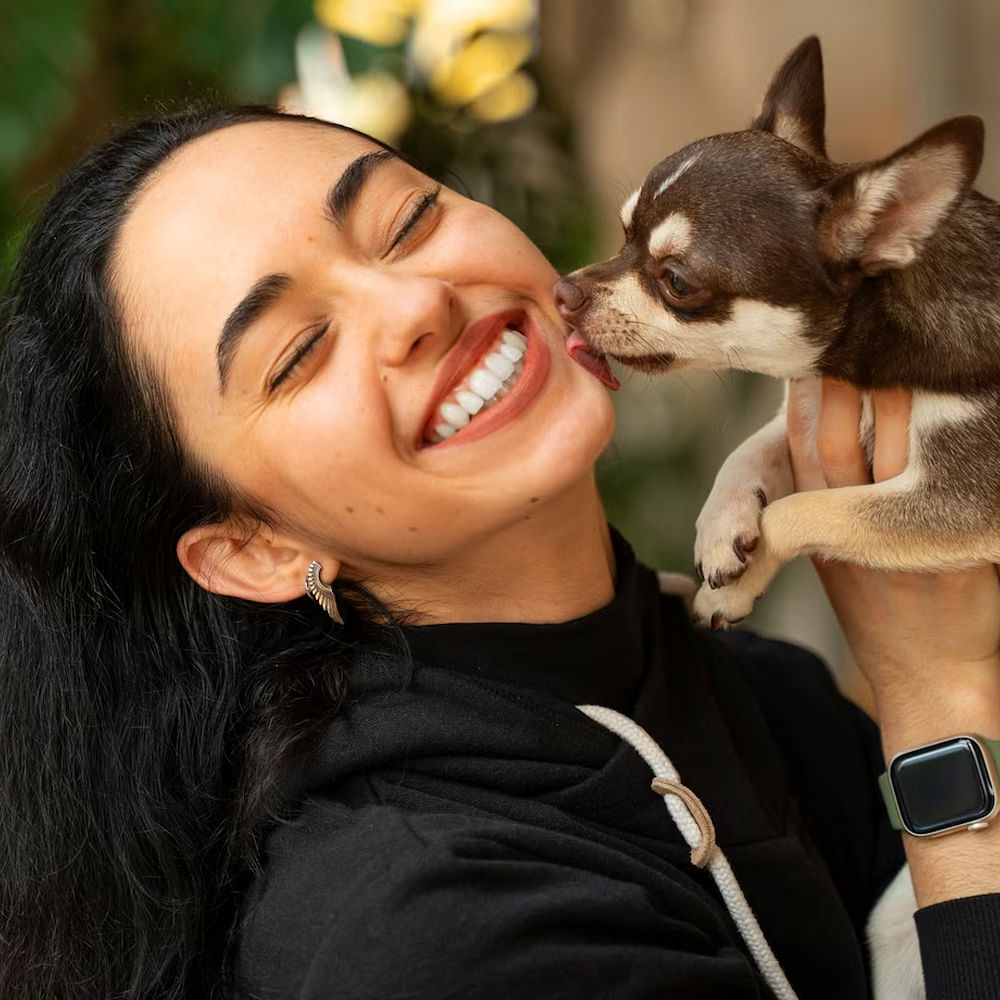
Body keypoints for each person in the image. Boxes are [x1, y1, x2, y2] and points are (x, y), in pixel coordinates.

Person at [0, 105, 998, 1000]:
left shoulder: (749, 686)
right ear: (253, 549)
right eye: (298, 352)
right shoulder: (420, 929)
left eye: (405, 222)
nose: (414, 306)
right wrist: (939, 698)